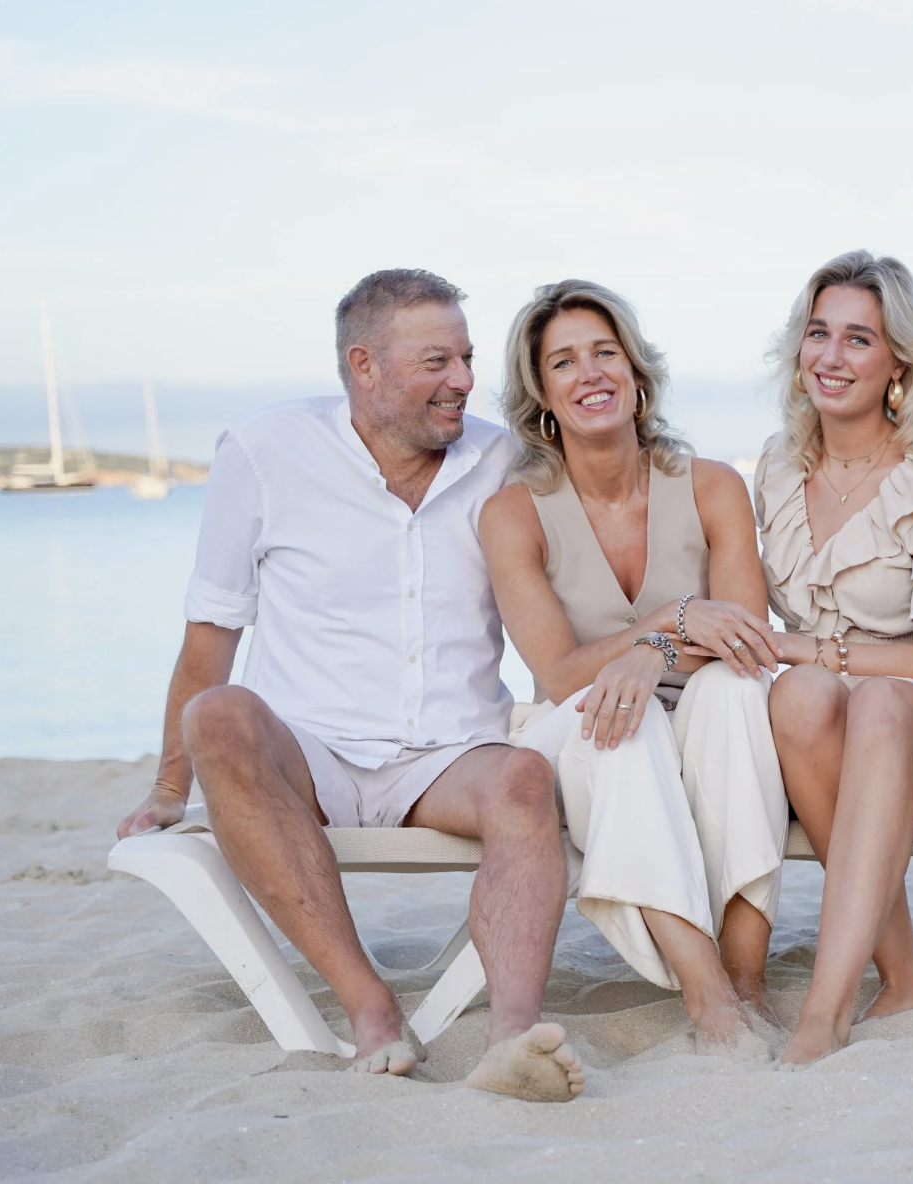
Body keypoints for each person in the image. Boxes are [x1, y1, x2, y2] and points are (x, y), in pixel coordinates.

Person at [114, 270, 584, 1103]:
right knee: (216, 714)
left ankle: (513, 1034)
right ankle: (369, 1005)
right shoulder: (265, 452)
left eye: (468, 357)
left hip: (449, 756)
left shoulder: (503, 460)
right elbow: (210, 635)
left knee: (524, 777)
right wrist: (165, 788)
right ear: (363, 367)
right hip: (310, 754)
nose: (466, 381)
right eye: (437, 360)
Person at [480, 279, 788, 1056]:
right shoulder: (515, 513)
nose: (590, 374)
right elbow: (557, 676)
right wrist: (667, 625)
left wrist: (650, 655)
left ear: (637, 374)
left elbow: (746, 637)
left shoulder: (713, 486)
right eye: (564, 362)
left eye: (604, 353)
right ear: (541, 395)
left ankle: (748, 976)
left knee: (732, 694)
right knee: (625, 716)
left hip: (710, 715)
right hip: (584, 734)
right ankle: (708, 994)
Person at [754, 251, 913, 1065]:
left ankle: (824, 1011)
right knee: (796, 698)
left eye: (859, 339)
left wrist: (808, 649)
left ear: (900, 360)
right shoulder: (779, 466)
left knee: (872, 700)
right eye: (818, 333)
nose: (831, 357)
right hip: (824, 728)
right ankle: (901, 977)